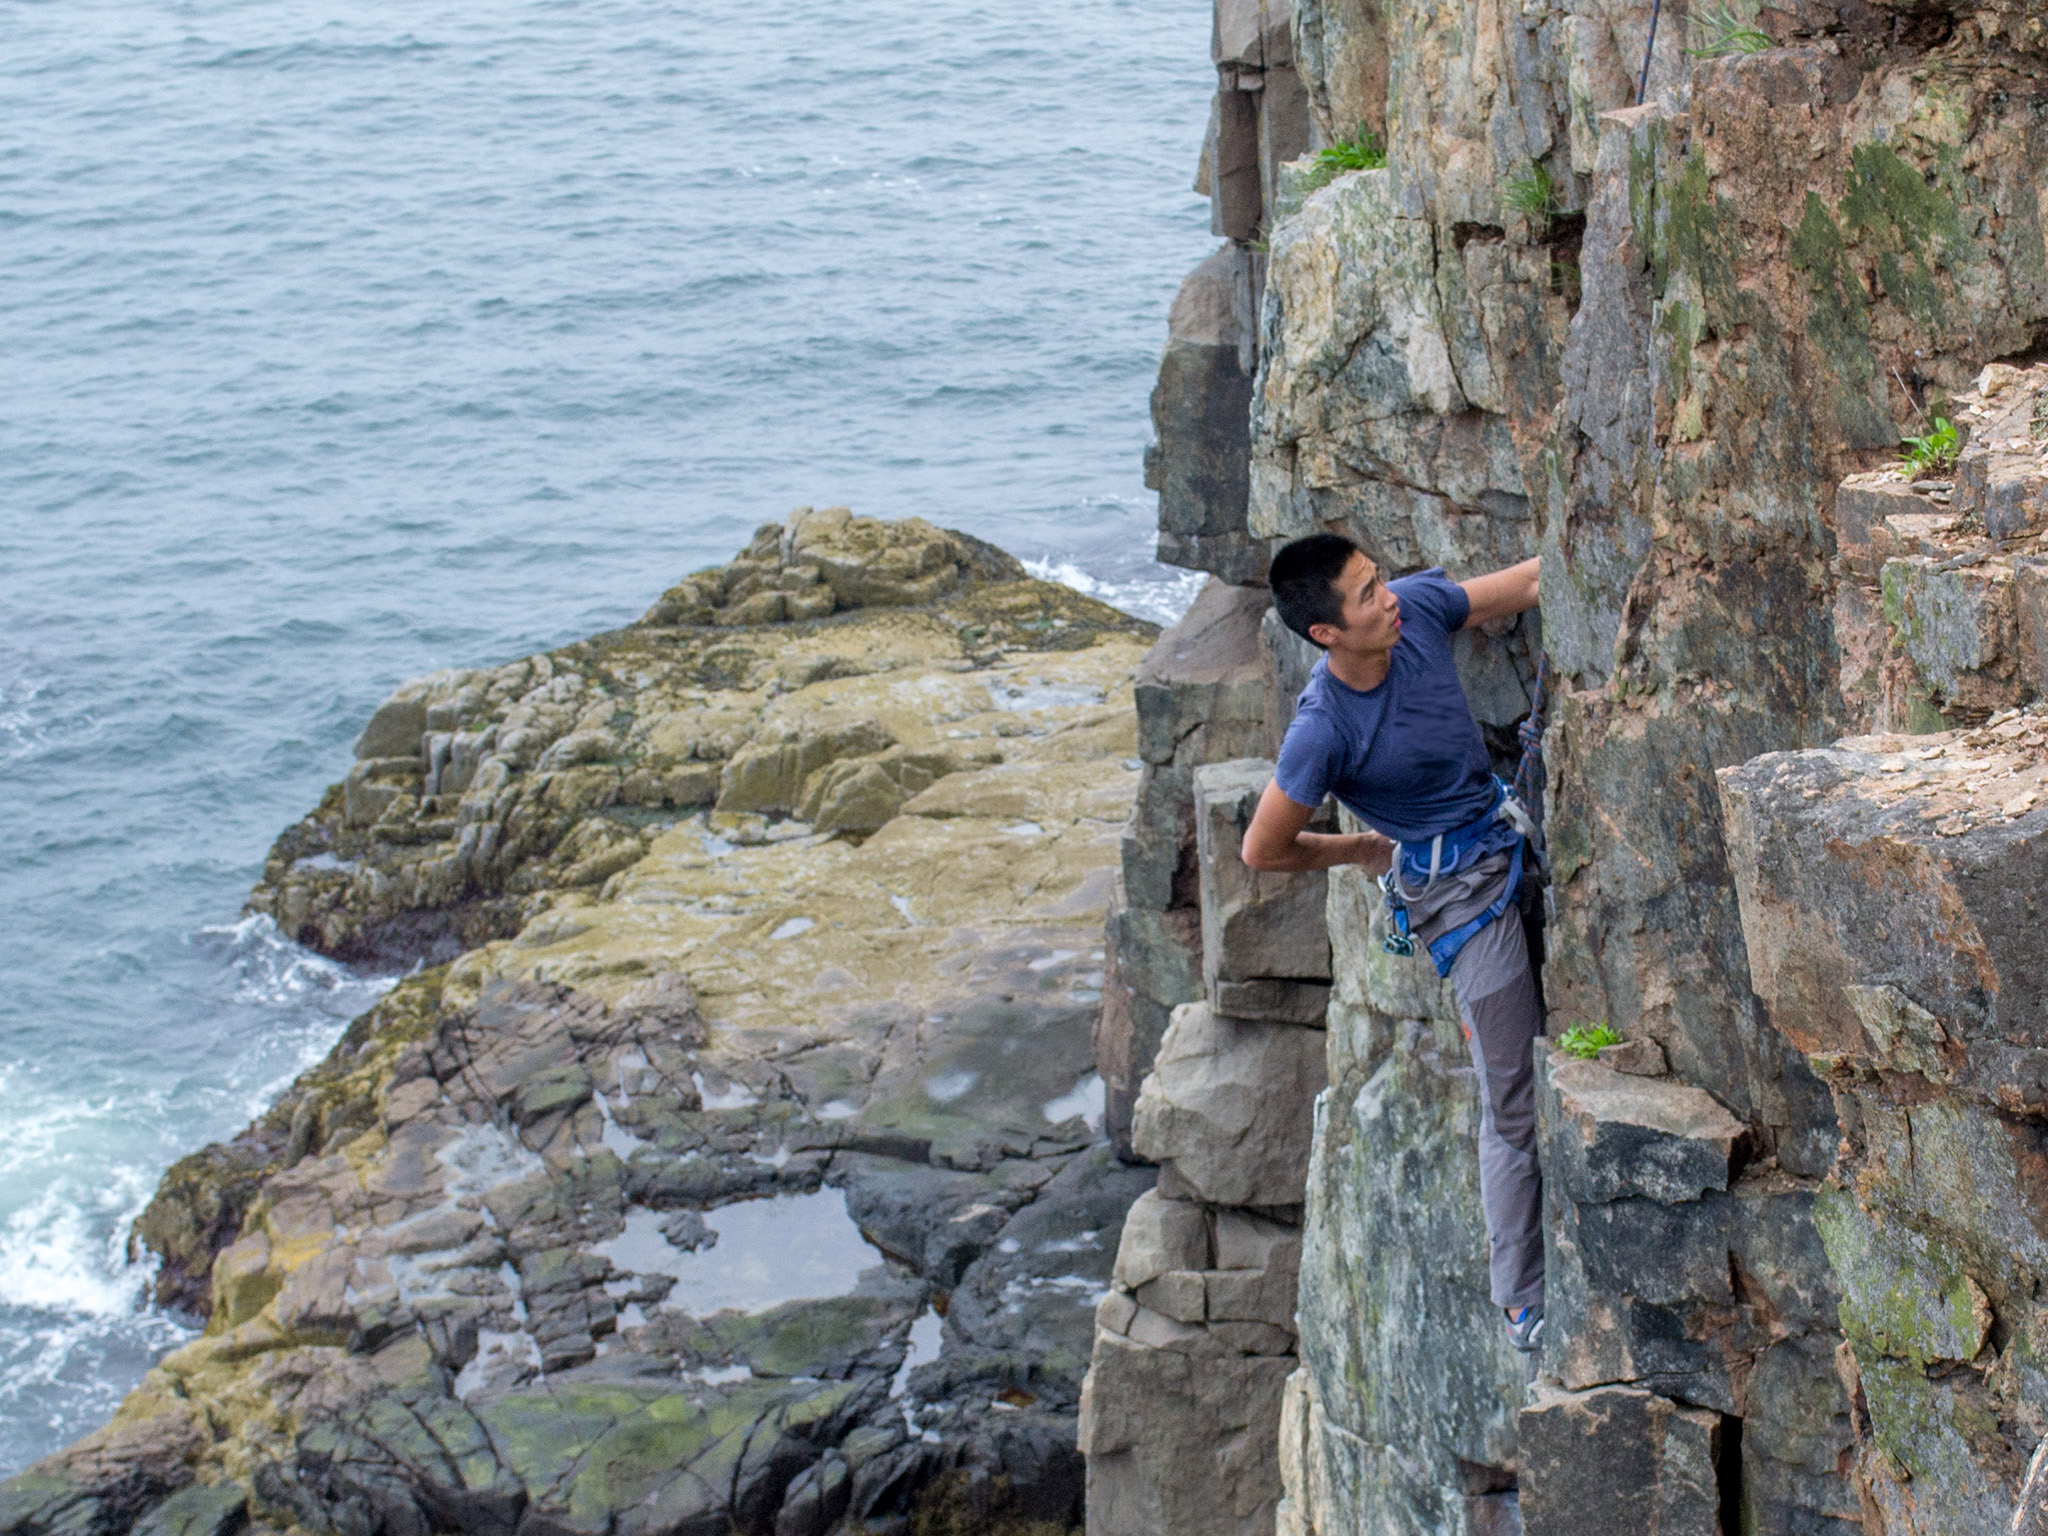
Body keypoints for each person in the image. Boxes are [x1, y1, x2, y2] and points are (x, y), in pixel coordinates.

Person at [1240, 532, 1548, 1352]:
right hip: (1459, 898)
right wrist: (1366, 850)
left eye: (1379, 579)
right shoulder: (1323, 730)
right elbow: (1262, 850)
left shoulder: (1413, 613)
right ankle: (1521, 1296)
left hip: (1510, 827)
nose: (1391, 599)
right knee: (1510, 1091)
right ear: (1326, 634)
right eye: (1368, 594)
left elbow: (1519, 586)